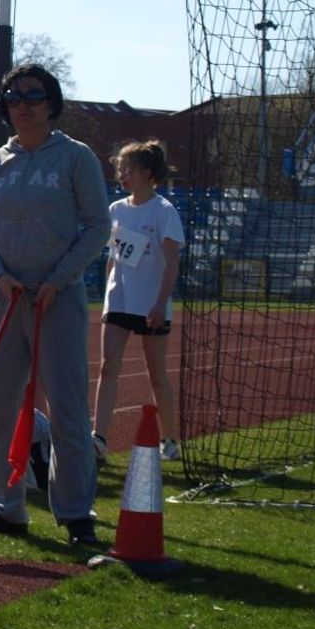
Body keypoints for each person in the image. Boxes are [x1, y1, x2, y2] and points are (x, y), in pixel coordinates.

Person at [0, 63, 111, 546]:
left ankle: (75, 513)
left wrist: (59, 278)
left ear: (51, 102)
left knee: (67, 411)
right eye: (13, 97)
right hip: (5, 302)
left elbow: (96, 226)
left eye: (33, 95)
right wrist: (0, 276)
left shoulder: (76, 158)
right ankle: (6, 507)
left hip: (57, 301)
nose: (23, 104)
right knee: (0, 409)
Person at [92, 140, 185, 462]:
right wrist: (109, 289)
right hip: (118, 302)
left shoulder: (163, 211)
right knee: (108, 368)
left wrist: (160, 303)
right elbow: (114, 255)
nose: (121, 175)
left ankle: (170, 439)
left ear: (146, 173)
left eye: (126, 169)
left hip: (150, 306)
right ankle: (99, 439)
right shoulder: (115, 210)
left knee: (156, 374)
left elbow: (171, 261)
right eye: (119, 169)